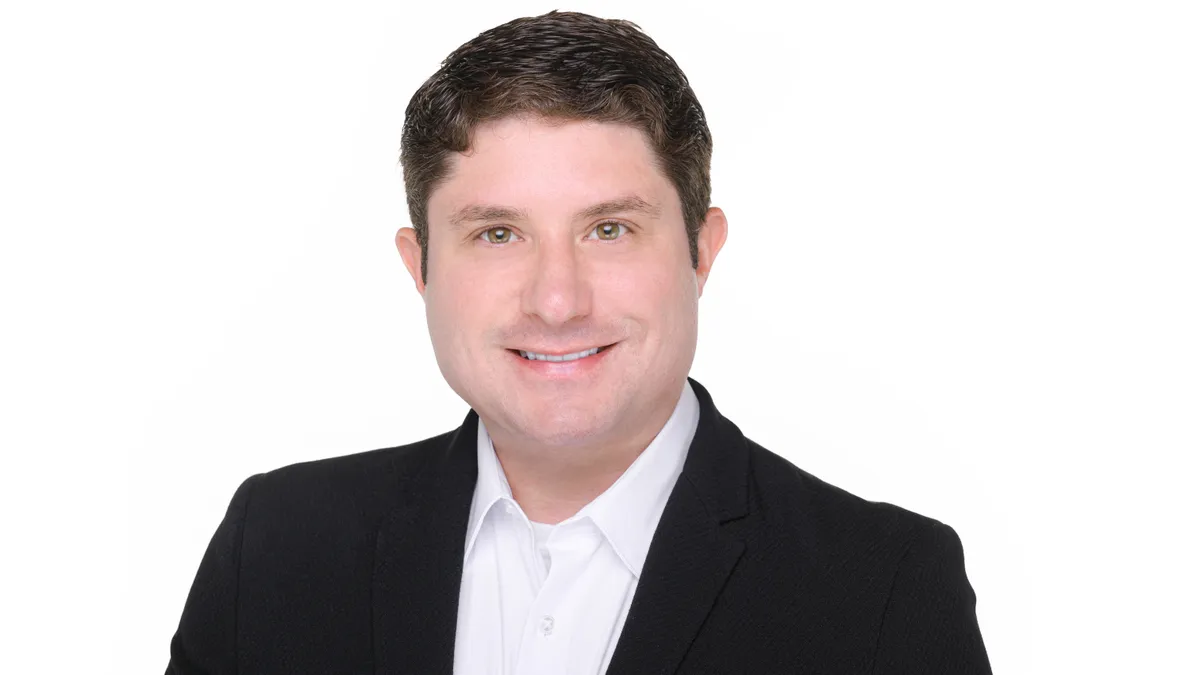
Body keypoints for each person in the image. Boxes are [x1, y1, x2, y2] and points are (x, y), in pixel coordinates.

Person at [166, 10, 991, 674]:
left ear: (702, 251)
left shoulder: (883, 590)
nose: (556, 300)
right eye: (497, 234)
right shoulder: (274, 550)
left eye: (608, 228)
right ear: (420, 268)